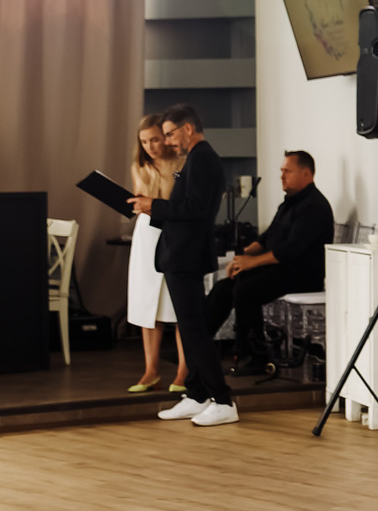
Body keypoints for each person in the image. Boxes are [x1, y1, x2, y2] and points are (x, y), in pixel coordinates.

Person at [130, 104, 237, 428]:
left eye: (170, 134)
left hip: (186, 255)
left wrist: (154, 205)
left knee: (195, 330)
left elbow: (194, 209)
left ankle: (223, 400)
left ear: (187, 128)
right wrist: (154, 208)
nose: (168, 142)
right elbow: (187, 207)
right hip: (181, 253)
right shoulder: (197, 158)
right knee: (191, 330)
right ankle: (197, 394)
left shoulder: (202, 158)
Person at [207, 150, 334, 375]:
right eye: (281, 171)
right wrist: (242, 257)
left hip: (301, 274)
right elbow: (267, 238)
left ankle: (255, 358)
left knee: (246, 291)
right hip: (280, 270)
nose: (281, 176)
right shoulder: (289, 203)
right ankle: (198, 345)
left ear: (306, 174)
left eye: (287, 171)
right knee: (224, 287)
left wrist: (252, 262)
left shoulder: (314, 206)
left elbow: (291, 250)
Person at [126, 115, 190, 395]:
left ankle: (184, 370)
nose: (150, 146)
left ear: (165, 137)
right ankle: (151, 370)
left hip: (174, 231)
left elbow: (180, 203)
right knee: (147, 303)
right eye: (144, 141)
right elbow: (140, 202)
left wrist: (155, 202)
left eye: (154, 139)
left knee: (179, 305)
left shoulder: (183, 164)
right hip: (146, 234)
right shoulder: (139, 166)